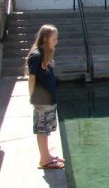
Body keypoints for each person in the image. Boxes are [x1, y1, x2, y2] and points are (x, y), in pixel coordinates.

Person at [26, 24, 65, 169]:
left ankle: (47, 154)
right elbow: (32, 78)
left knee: (46, 127)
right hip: (41, 100)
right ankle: (44, 159)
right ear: (45, 38)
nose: (56, 42)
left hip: (49, 99)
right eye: (54, 39)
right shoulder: (36, 55)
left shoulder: (46, 54)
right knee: (42, 129)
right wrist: (32, 96)